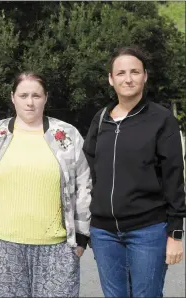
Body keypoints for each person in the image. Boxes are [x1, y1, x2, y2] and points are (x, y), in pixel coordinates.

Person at [0, 72, 92, 297]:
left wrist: (82, 235)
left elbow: (84, 184)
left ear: (46, 98)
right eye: (23, 95)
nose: (30, 101)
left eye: (36, 95)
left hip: (58, 248)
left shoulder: (67, 135)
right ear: (12, 97)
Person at [83, 46, 186, 297]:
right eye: (120, 73)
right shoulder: (101, 119)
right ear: (111, 79)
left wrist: (176, 233)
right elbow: (86, 172)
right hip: (104, 233)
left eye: (134, 72)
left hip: (148, 230)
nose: (128, 79)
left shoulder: (161, 119)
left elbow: (174, 177)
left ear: (145, 76)